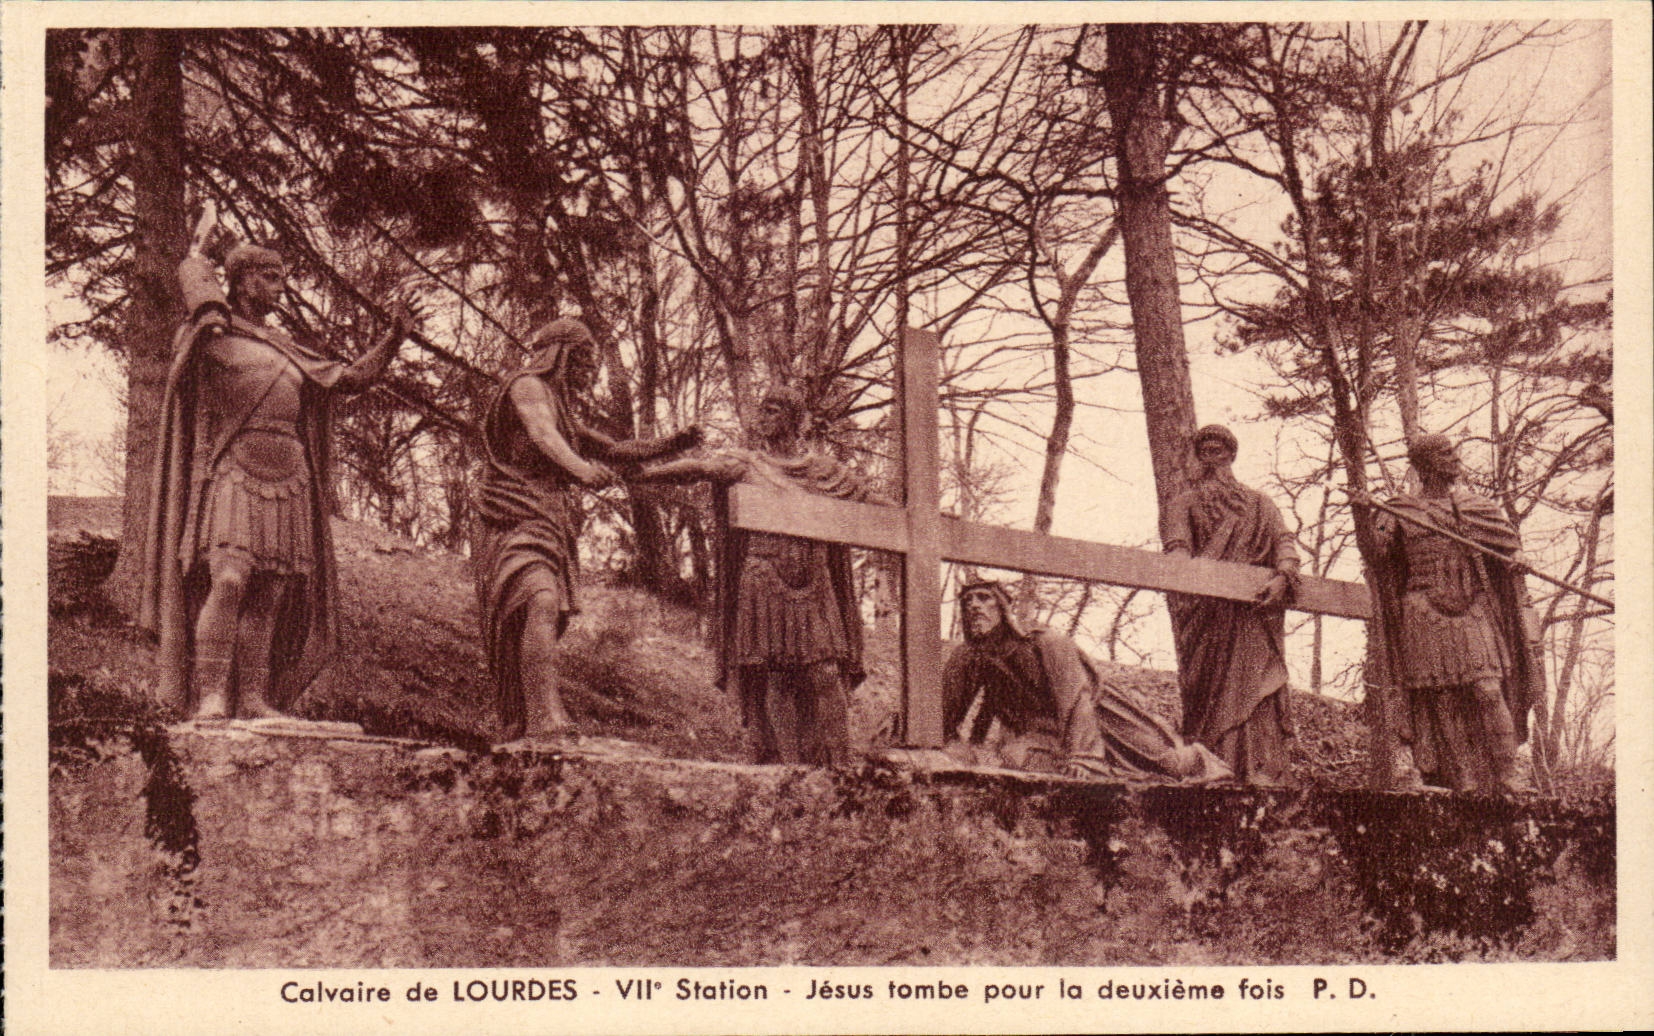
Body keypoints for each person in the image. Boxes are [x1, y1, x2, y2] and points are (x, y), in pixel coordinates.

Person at [142, 222, 407, 721]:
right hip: (235, 472)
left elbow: (349, 379)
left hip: (290, 479)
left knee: (269, 592)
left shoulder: (287, 347)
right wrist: (198, 255)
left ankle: (253, 698)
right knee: (230, 580)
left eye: (282, 278)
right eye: (268, 277)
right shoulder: (211, 336)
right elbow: (202, 305)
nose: (279, 287)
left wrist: (392, 341)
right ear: (239, 282)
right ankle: (213, 694)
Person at [471, 317, 700, 744]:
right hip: (511, 517)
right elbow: (542, 435)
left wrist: (674, 443)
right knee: (538, 600)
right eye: (583, 362)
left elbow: (616, 450)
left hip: (546, 520)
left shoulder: (565, 413)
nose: (588, 373)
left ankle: (532, 715)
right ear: (561, 354)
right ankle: (544, 718)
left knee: (545, 611)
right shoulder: (526, 387)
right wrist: (579, 469)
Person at [635, 386, 887, 765]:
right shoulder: (746, 464)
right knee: (776, 676)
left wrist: (920, 517)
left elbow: (867, 497)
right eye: (762, 410)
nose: (763, 417)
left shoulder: (823, 471)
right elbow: (699, 467)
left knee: (826, 671)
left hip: (814, 579)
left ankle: (840, 760)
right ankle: (784, 764)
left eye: (772, 410)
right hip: (763, 576)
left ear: (793, 418)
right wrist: (646, 474)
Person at [1368, 434, 1539, 793]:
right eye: (1446, 456)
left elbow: (1510, 546)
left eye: (1454, 454)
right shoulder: (1400, 509)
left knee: (1488, 689)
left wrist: (1517, 558)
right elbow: (1378, 554)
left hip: (1472, 607)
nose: (1455, 461)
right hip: (1423, 608)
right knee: (1443, 697)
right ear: (1426, 464)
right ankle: (1462, 776)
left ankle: (1508, 774)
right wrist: (1362, 513)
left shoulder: (1477, 507)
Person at [941, 579, 1231, 781]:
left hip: (1102, 717)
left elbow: (1076, 696)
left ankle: (1200, 759)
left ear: (1003, 608)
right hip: (1046, 732)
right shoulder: (971, 657)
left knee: (1167, 765)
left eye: (984, 598)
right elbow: (948, 715)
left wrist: (1085, 757)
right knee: (1015, 758)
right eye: (967, 601)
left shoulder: (1045, 642)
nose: (974, 606)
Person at [1162, 424, 1301, 785]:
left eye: (1219, 450)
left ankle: (1263, 770)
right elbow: (1177, 548)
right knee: (1210, 695)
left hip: (1253, 615)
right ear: (1198, 456)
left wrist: (1284, 575)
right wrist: (1182, 568)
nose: (1213, 456)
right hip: (1208, 618)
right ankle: (1214, 763)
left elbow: (1284, 541)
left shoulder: (1260, 504)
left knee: (1258, 690)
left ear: (1231, 454)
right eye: (1205, 450)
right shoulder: (1183, 503)